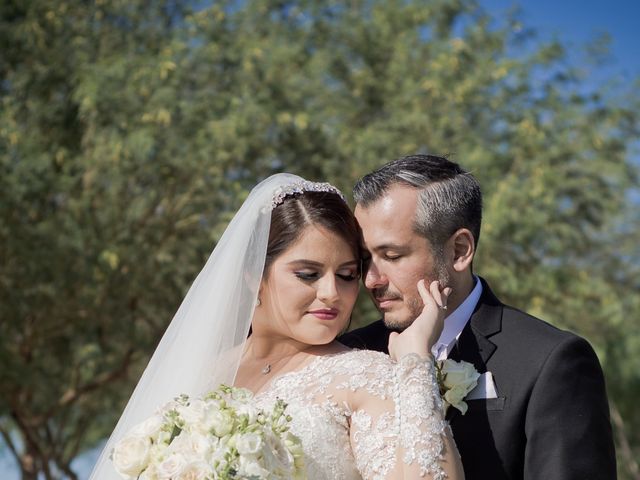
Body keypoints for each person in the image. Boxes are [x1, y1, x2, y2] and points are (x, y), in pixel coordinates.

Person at [90, 173, 464, 480]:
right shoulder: (203, 371)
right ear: (255, 276)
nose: (332, 293)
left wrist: (415, 363)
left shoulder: (365, 375)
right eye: (308, 274)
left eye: (348, 274)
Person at [339, 155, 617, 480]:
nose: (371, 279)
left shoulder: (549, 362)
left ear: (459, 250)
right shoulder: (350, 354)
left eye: (392, 256)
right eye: (364, 258)